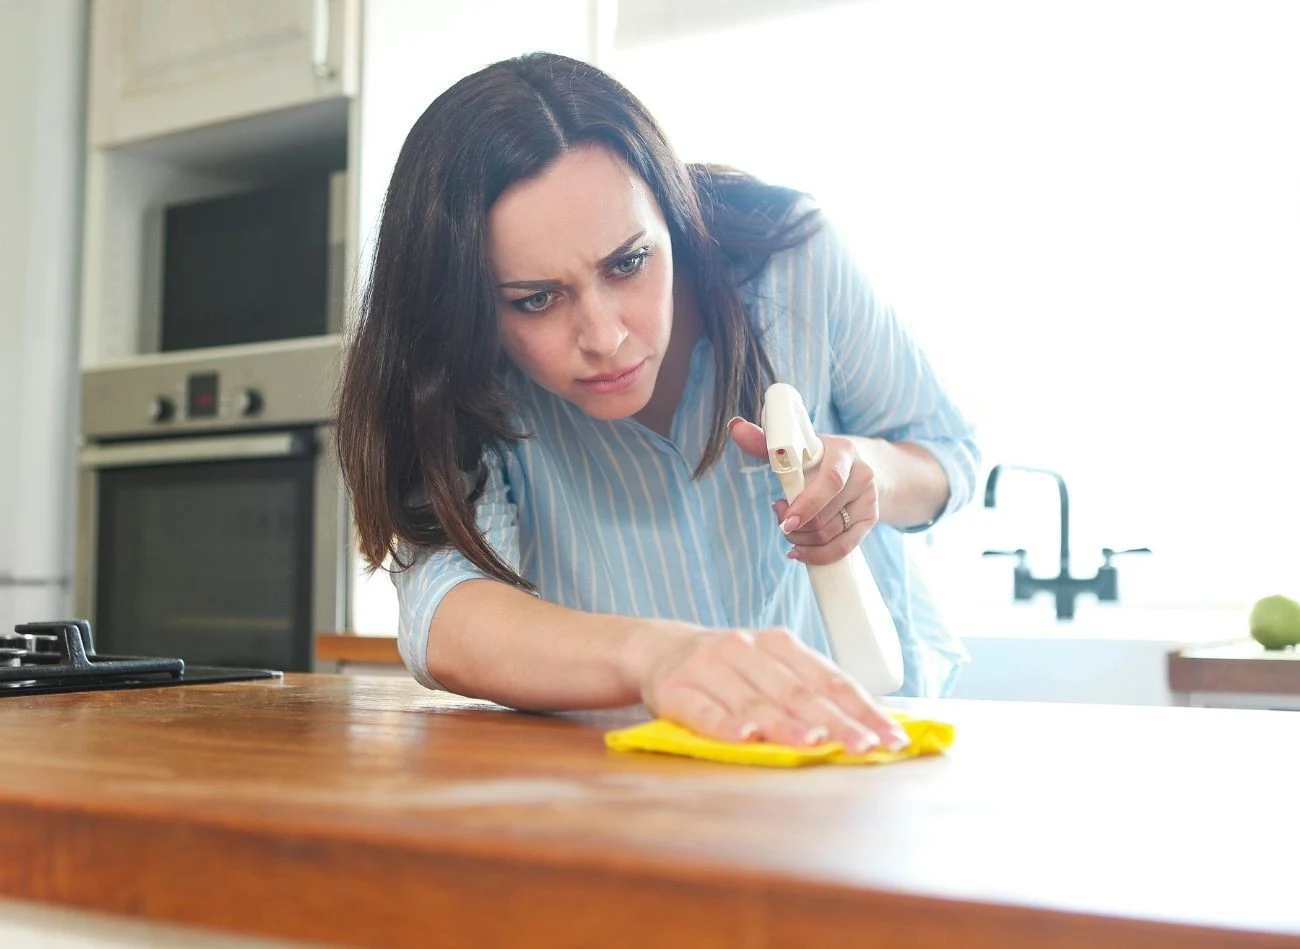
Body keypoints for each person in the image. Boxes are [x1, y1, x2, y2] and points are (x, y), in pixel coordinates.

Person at [336, 51, 979, 755]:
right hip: (629, 781)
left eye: (629, 263)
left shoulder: (791, 259)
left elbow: (950, 455)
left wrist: (871, 473)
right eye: (537, 300)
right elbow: (443, 614)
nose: (606, 338)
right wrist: (657, 655)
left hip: (868, 751)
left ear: (673, 216)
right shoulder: (458, 377)